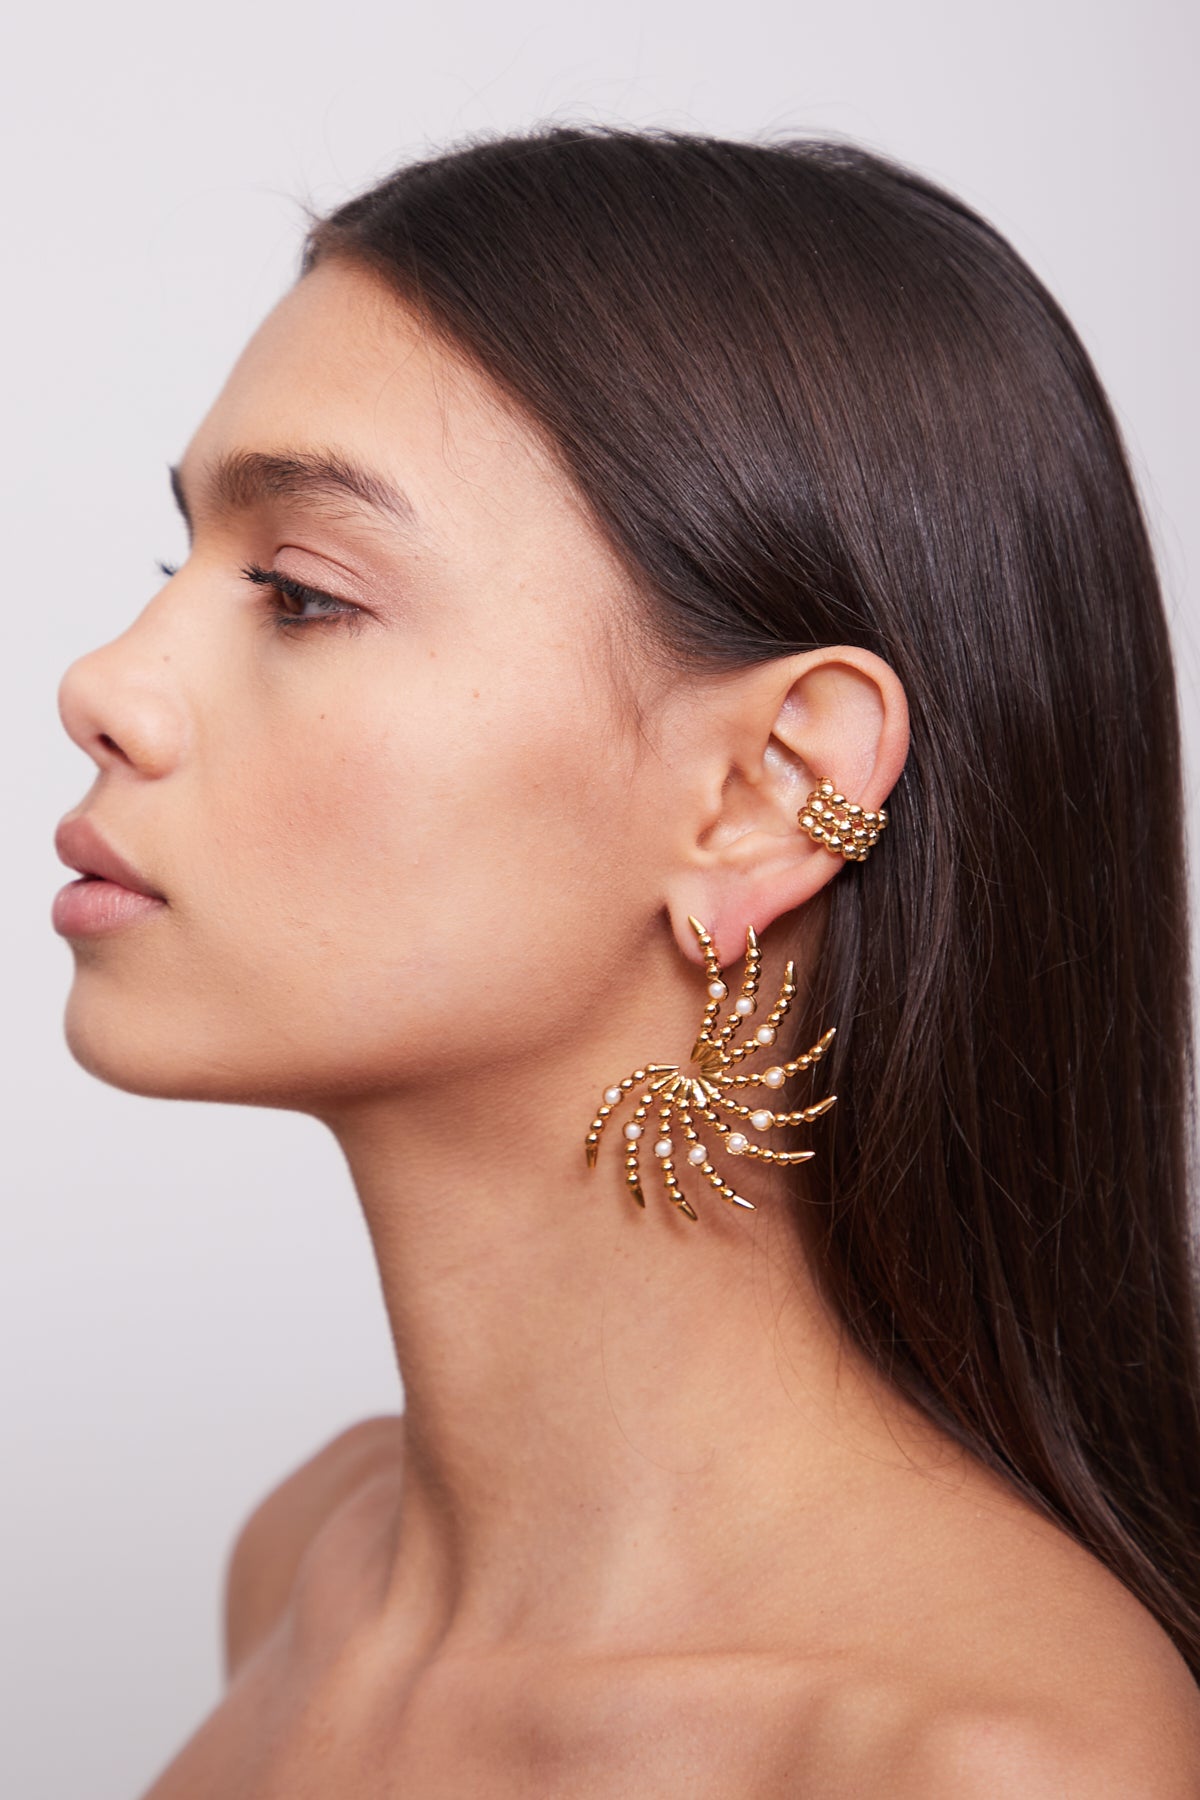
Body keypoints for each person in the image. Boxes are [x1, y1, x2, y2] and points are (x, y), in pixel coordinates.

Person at [52, 124, 1200, 1795]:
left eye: (298, 592)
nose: (102, 684)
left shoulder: (983, 1765)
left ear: (766, 792)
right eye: (182, 565)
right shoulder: (305, 1566)